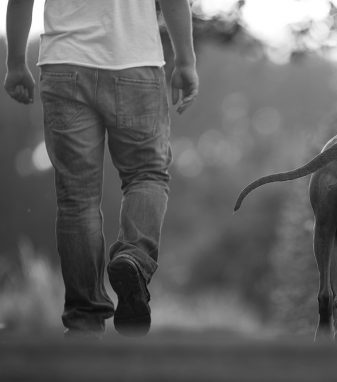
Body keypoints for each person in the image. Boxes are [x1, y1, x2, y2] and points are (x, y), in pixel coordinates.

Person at [4, 0, 199, 337]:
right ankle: (134, 259)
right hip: (136, 63)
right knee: (147, 175)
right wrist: (186, 59)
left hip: (64, 64)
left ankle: (84, 319)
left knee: (77, 198)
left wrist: (15, 62)